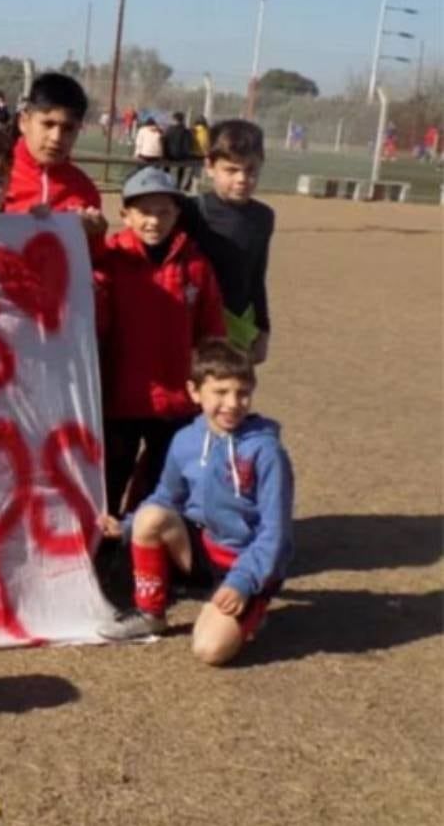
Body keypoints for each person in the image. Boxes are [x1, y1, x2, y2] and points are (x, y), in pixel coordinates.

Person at [96, 338, 293, 665]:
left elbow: (276, 533)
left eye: (242, 393)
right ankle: (151, 613)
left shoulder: (267, 452)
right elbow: (165, 497)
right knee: (150, 517)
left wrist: (243, 582)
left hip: (244, 563)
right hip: (202, 553)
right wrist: (127, 525)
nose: (232, 403)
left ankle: (251, 605)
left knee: (209, 651)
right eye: (220, 392)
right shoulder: (185, 440)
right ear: (194, 391)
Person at [94, 167, 226, 517]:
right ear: (125, 214)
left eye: (163, 211)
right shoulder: (107, 261)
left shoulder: (196, 265)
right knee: (109, 478)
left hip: (175, 402)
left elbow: (211, 330)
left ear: (177, 213)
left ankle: (140, 545)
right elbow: (96, 327)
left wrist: (211, 383)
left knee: (161, 483)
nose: (154, 221)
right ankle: (104, 549)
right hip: (118, 398)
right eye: (144, 212)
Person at [179, 119, 275, 363]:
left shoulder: (263, 217)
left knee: (230, 398)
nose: (242, 179)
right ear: (210, 166)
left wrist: (263, 330)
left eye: (251, 170)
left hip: (239, 327)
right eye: (231, 170)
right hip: (194, 326)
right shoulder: (189, 211)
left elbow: (256, 275)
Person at [3, 72, 107, 254]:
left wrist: (95, 238)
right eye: (48, 124)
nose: (56, 138)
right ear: (24, 122)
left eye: (68, 128)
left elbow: (92, 267)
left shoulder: (85, 190)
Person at [161, 111, 192, 190]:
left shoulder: (169, 130)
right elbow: (187, 145)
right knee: (182, 168)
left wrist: (164, 154)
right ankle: (178, 185)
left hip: (169, 155)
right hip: (181, 156)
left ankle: (165, 183)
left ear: (174, 119)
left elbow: (164, 142)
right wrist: (186, 155)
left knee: (166, 167)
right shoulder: (186, 131)